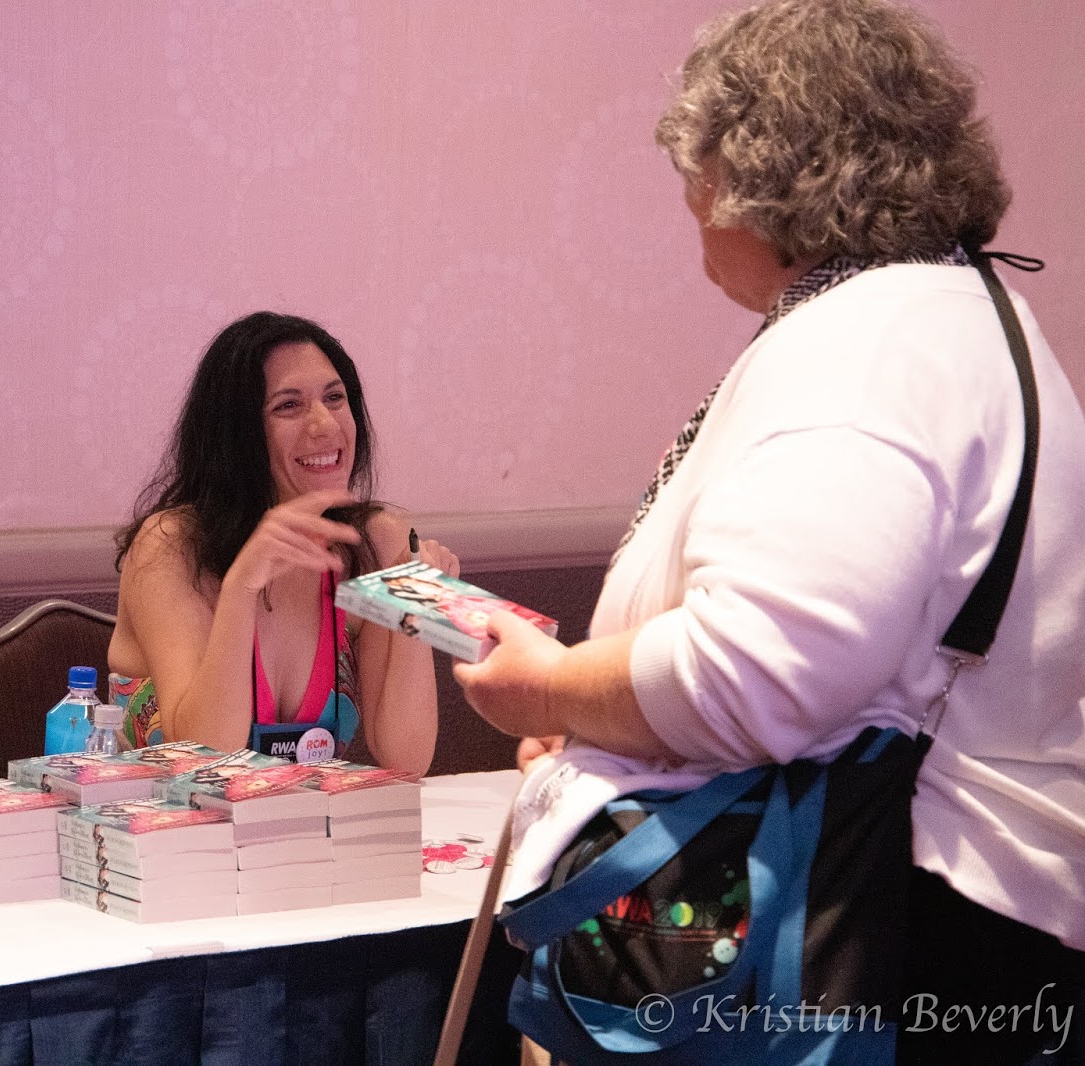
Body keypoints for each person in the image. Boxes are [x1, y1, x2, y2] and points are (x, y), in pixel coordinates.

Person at [454, 1, 1085, 1062]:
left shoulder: (865, 348)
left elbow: (758, 674)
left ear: (760, 177)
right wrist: (606, 718)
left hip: (880, 932)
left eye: (694, 172)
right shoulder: (954, 316)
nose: (690, 207)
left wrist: (551, 689)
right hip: (961, 929)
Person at [109, 311, 458, 777]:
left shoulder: (374, 542)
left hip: (302, 822)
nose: (324, 424)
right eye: (288, 406)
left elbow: (406, 759)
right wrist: (241, 587)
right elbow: (201, 757)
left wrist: (417, 613)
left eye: (335, 398)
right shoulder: (171, 546)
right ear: (237, 433)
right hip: (164, 820)